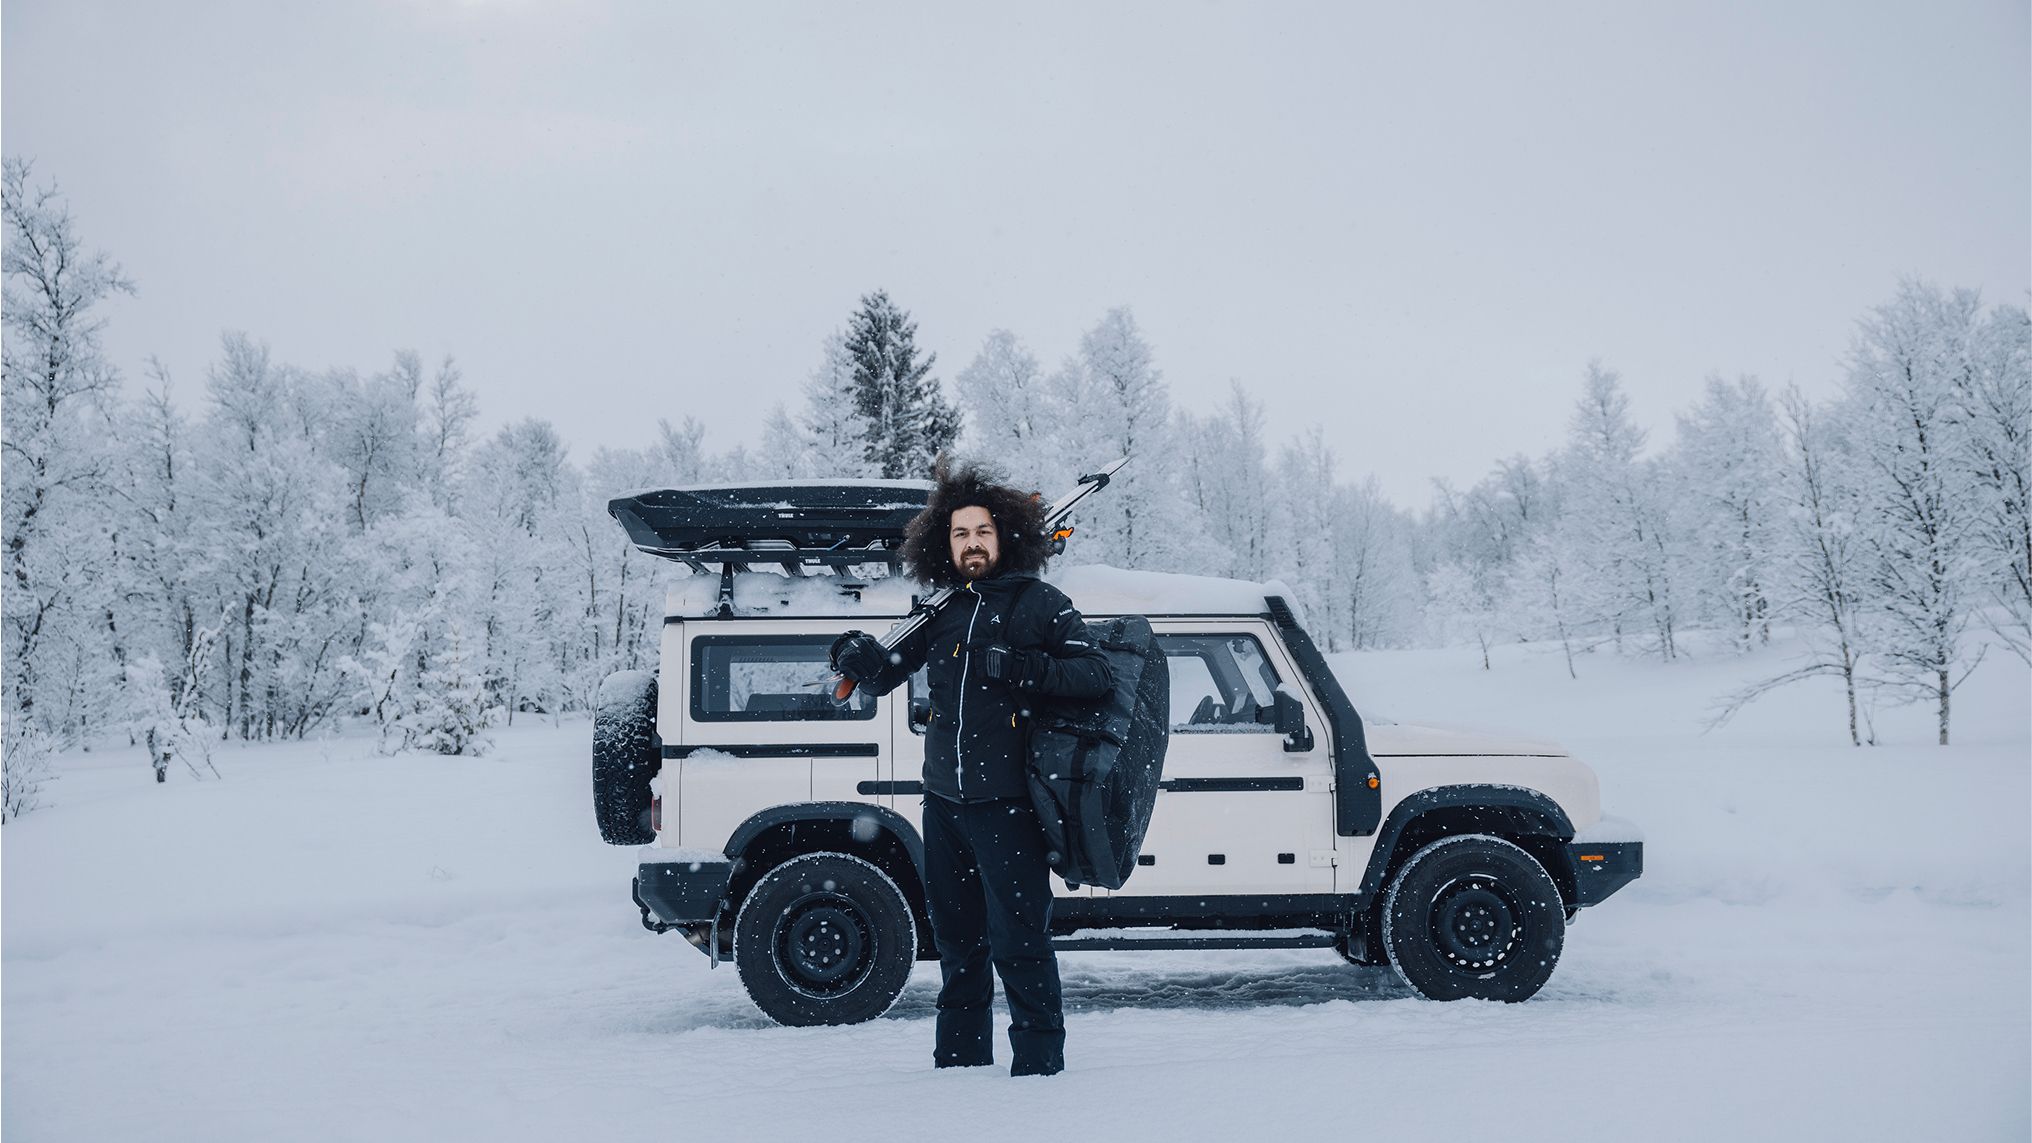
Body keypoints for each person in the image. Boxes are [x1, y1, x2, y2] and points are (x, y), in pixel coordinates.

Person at [830, 457, 1113, 1077]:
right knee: (957, 944)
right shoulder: (941, 610)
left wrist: (1017, 666)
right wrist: (858, 657)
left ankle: (1038, 1067)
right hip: (945, 805)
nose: (972, 543)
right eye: (960, 534)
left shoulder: (1042, 605)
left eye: (982, 531)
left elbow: (1095, 677)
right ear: (944, 543)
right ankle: (959, 1064)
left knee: (1019, 942)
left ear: (1003, 535)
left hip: (1008, 805)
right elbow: (887, 676)